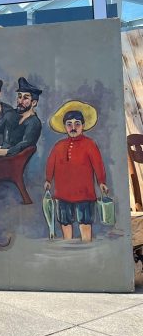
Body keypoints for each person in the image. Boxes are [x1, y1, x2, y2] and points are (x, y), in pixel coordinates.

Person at [44, 101, 107, 243]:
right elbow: (50, 163)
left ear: (83, 125)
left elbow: (98, 164)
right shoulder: (59, 146)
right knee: (65, 221)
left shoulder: (90, 144)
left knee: (85, 221)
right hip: (62, 193)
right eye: (69, 124)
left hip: (84, 193)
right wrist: (48, 179)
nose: (73, 128)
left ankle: (86, 246)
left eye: (77, 124)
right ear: (65, 127)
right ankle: (68, 247)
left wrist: (101, 182)